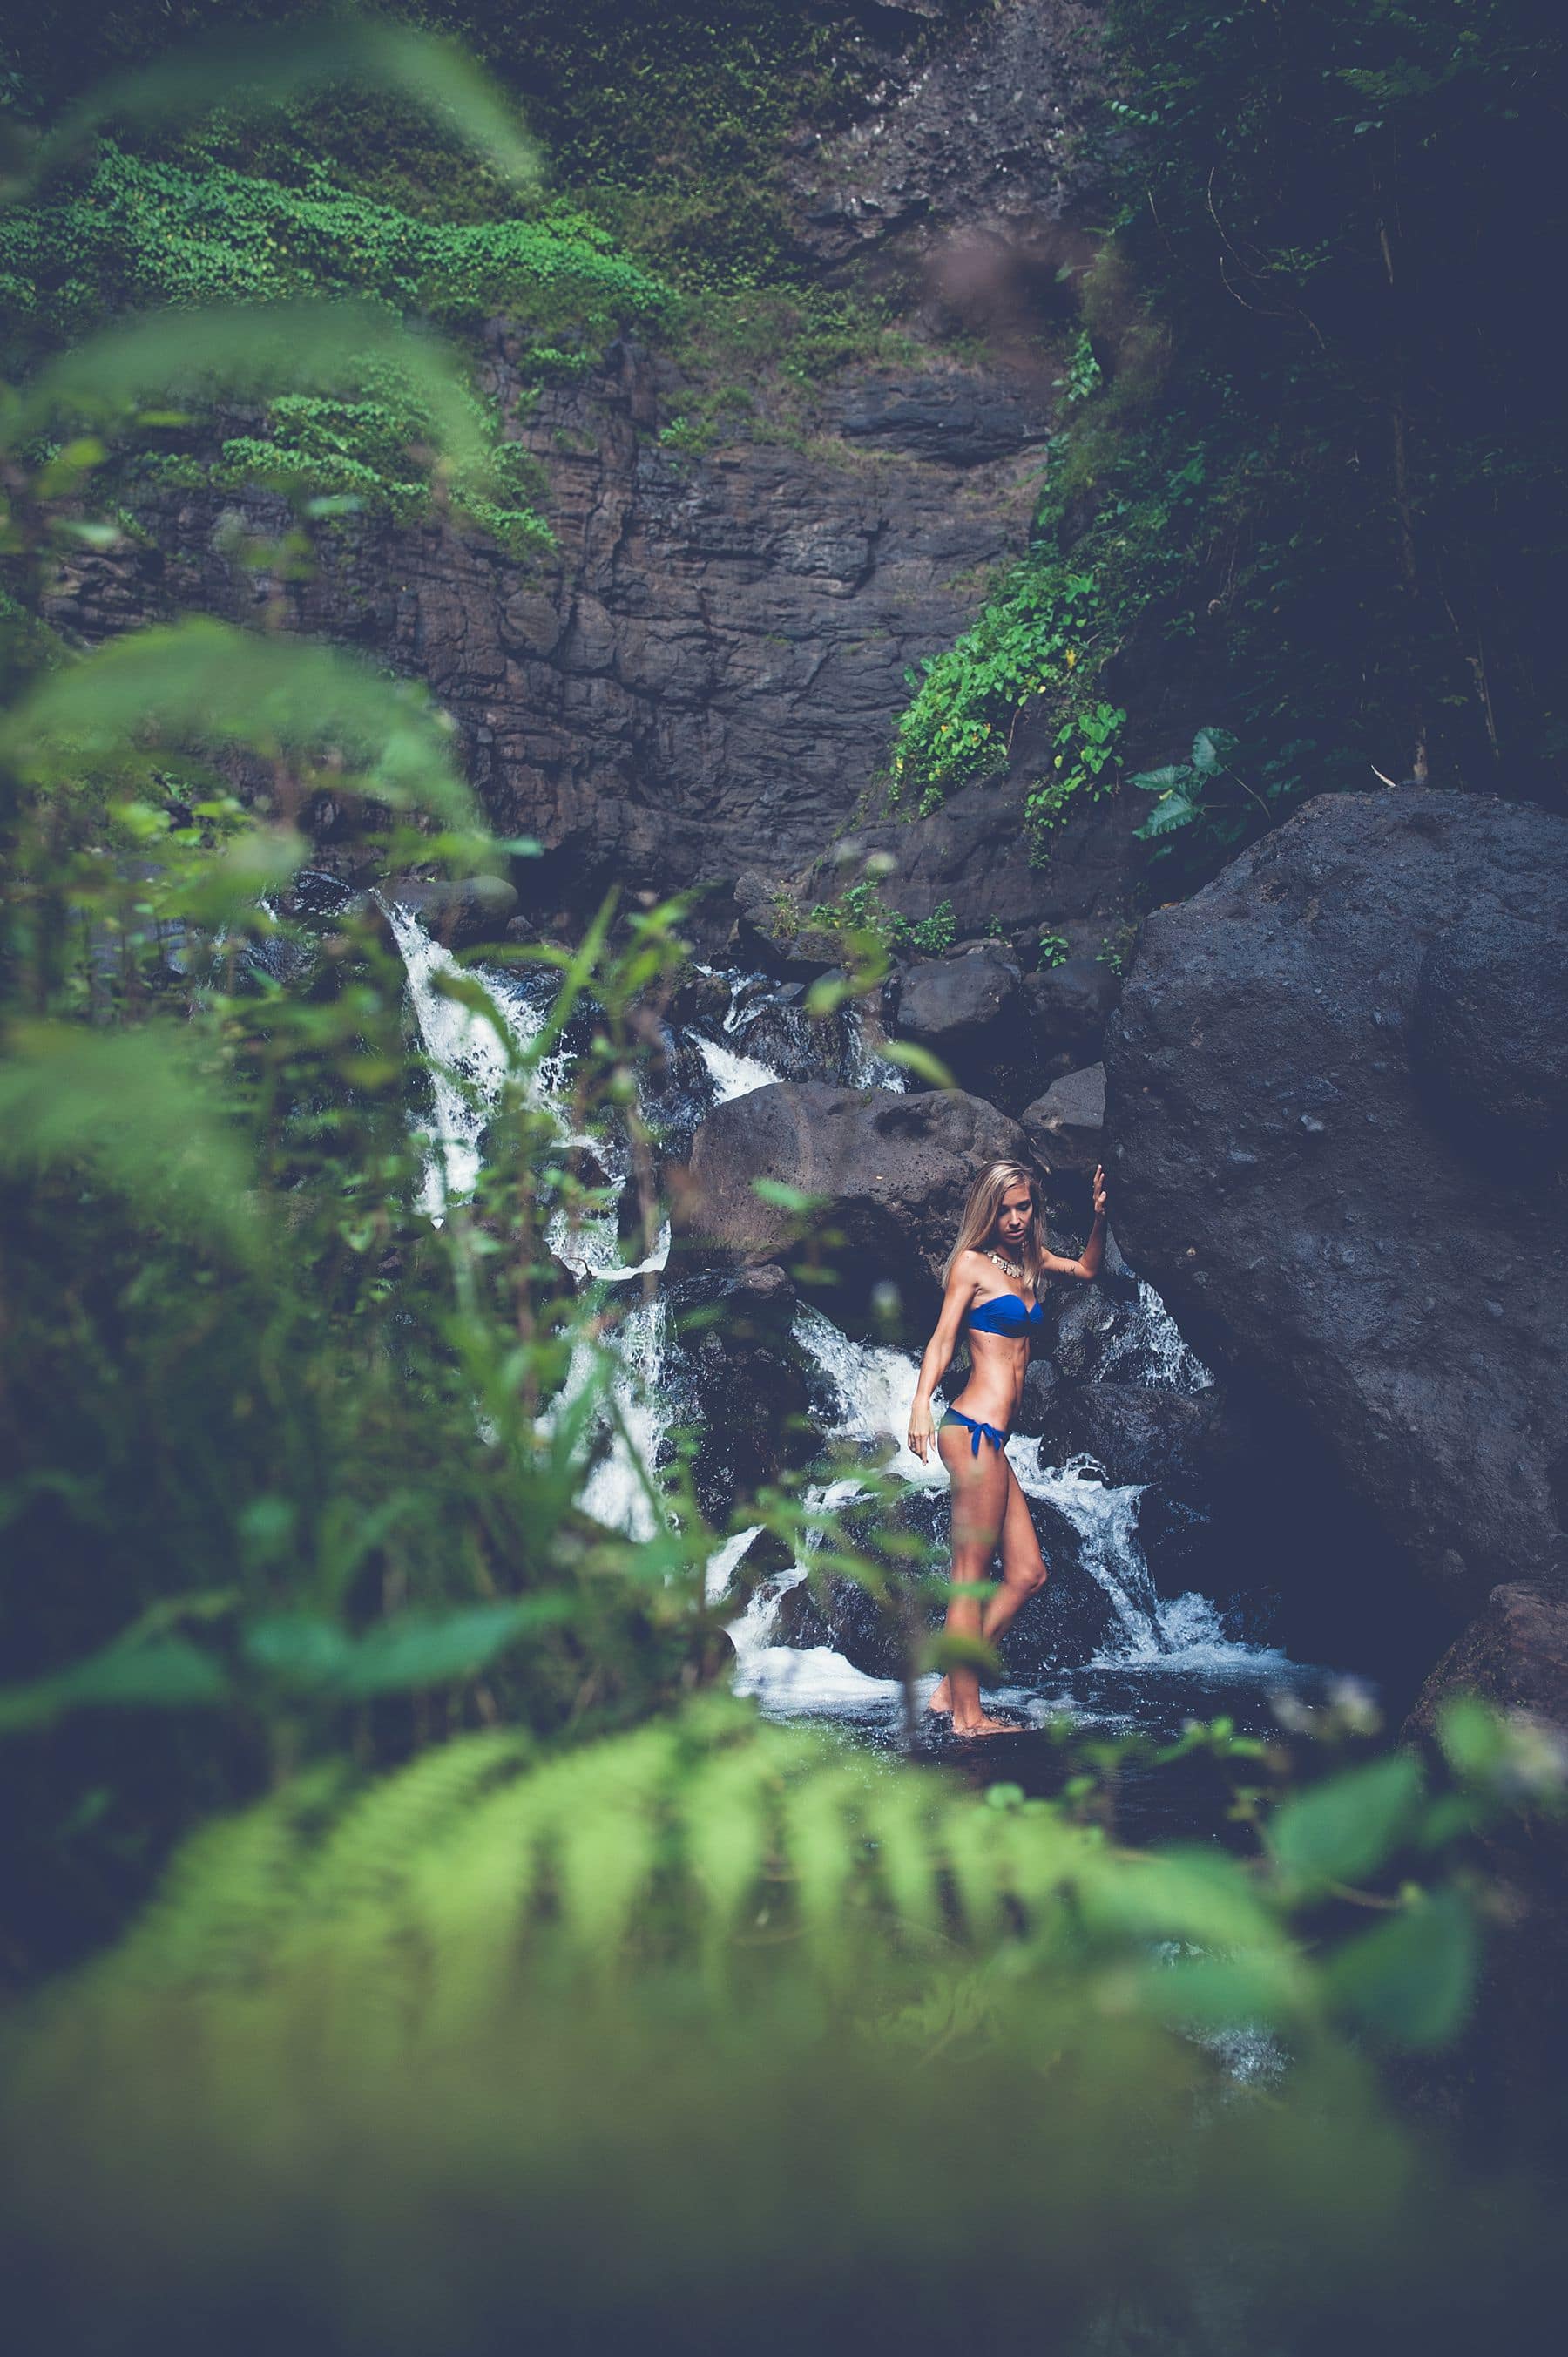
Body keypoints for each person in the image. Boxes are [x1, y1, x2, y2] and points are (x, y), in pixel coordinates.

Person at [906, 1157, 1109, 1736]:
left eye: (1025, 1207)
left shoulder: (1028, 1261)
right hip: (970, 1429)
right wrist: (921, 1399)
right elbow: (944, 1338)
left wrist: (1099, 1217)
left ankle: (951, 1688)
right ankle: (968, 1719)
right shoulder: (971, 1265)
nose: (1017, 1219)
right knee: (970, 1574)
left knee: (1027, 1571)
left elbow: (1090, 1269)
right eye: (1006, 1208)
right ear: (987, 1209)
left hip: (995, 1440)